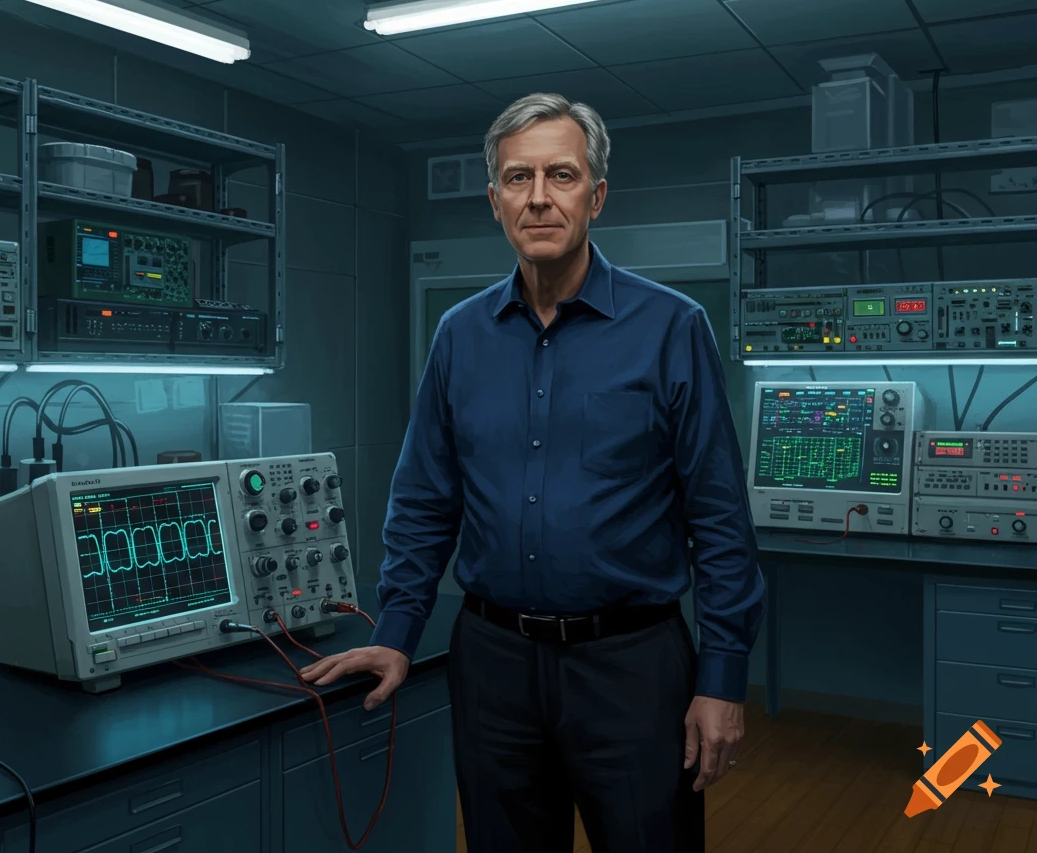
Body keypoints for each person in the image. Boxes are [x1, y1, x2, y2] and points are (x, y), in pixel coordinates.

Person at [300, 93, 765, 852]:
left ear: (597, 195)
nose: (540, 197)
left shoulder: (672, 328)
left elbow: (718, 517)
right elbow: (423, 499)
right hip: (493, 666)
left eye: (562, 175)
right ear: (494, 201)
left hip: (632, 666)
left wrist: (722, 676)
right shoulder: (460, 336)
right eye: (519, 179)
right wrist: (398, 630)